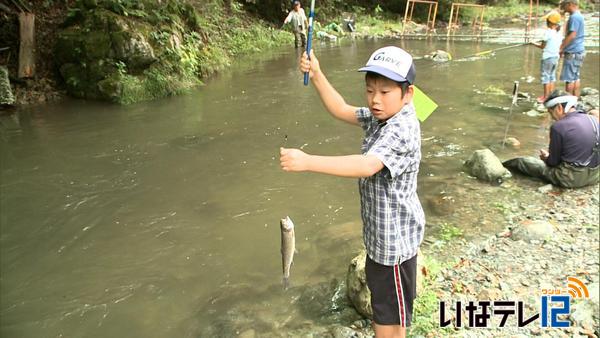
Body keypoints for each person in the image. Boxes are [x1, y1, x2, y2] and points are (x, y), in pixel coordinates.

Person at [280, 46, 425, 338]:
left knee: (389, 319)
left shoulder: (402, 128)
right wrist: (317, 74)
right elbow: (341, 109)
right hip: (380, 241)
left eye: (385, 92)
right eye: (370, 90)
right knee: (387, 312)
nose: (375, 99)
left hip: (394, 248)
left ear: (407, 94)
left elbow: (368, 164)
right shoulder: (381, 115)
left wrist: (308, 161)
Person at [503, 90, 599, 188]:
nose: (552, 117)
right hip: (595, 175)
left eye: (550, 112)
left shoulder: (559, 126)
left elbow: (553, 162)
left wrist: (547, 158)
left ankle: (501, 165)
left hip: (571, 179)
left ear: (559, 108)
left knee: (522, 162)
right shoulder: (593, 119)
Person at [531, 11, 562, 103]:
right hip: (555, 58)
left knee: (545, 77)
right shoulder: (558, 33)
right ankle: (550, 95)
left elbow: (542, 46)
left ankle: (545, 97)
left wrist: (533, 43)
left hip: (547, 58)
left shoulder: (547, 33)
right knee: (552, 77)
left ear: (548, 23)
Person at [559, 0, 585, 97]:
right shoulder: (579, 15)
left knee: (569, 79)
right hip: (579, 51)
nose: (563, 8)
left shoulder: (574, 17)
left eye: (564, 5)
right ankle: (575, 100)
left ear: (570, 4)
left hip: (572, 52)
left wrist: (561, 48)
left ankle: (569, 103)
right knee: (576, 78)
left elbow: (572, 35)